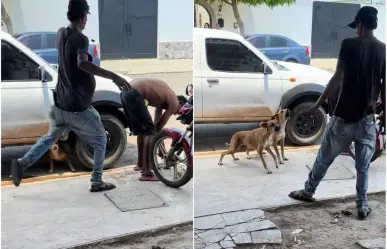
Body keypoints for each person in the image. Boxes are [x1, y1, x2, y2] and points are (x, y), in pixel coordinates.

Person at [10, 0, 132, 192]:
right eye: (86, 17)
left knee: (49, 139)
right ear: (83, 16)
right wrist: (113, 76)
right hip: (77, 106)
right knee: (101, 139)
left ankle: (21, 164)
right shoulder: (80, 38)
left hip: (60, 103)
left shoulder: (60, 33)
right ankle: (97, 181)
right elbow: (82, 63)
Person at [288, 6, 385, 220]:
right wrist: (385, 111)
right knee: (363, 166)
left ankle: (308, 191)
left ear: (360, 24)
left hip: (343, 118)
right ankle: (361, 206)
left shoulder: (348, 44)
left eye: (356, 26)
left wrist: (318, 103)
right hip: (368, 120)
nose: (356, 30)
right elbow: (384, 84)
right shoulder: (382, 49)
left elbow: (337, 78)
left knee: (324, 158)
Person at [120, 78, 187, 181]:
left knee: (143, 131)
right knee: (149, 132)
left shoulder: (163, 98)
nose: (176, 114)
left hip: (125, 92)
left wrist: (160, 148)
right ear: (180, 102)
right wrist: (162, 150)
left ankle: (141, 164)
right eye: (180, 111)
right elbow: (157, 128)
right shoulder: (174, 102)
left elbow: (157, 126)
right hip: (135, 93)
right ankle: (147, 173)